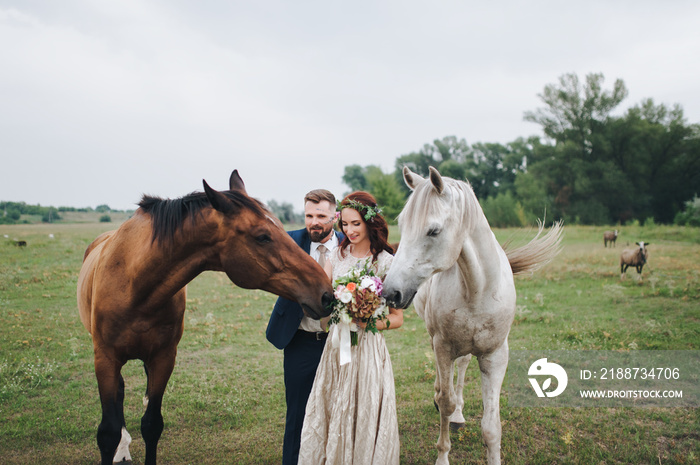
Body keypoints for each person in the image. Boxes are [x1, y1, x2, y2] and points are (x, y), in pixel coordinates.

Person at [298, 191, 403, 465]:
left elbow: (397, 318)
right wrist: (335, 314)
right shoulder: (336, 254)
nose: (350, 230)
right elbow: (323, 298)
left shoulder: (385, 261)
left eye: (356, 223)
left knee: (363, 411)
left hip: (367, 350)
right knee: (332, 407)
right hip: (336, 348)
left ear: (370, 222)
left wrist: (367, 321)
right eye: (345, 224)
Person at [266, 189, 345, 465]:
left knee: (338, 410)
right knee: (297, 413)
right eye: (309, 216)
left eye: (321, 216)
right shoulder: (289, 241)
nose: (314, 222)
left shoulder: (350, 246)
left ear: (335, 216)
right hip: (299, 339)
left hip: (338, 342)